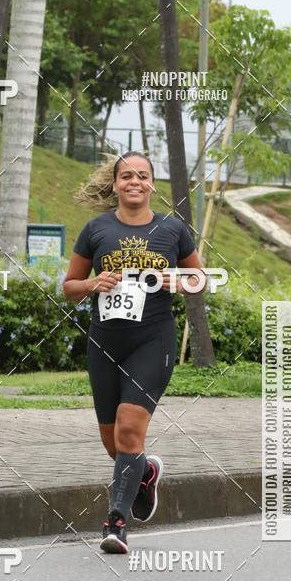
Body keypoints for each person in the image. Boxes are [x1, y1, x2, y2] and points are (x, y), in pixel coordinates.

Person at [63, 151, 206, 554]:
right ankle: (146, 472)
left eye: (142, 176)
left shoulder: (172, 229)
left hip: (152, 340)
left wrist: (175, 281)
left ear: (151, 184)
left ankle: (116, 522)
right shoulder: (96, 229)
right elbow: (69, 286)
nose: (134, 182)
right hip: (105, 342)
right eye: (126, 176)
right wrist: (94, 284)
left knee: (130, 427)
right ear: (115, 184)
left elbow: (200, 278)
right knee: (114, 443)